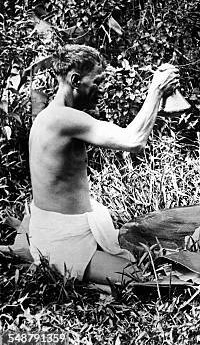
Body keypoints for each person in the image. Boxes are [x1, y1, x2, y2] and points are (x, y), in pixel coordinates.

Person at [28, 44, 179, 283]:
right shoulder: (62, 119)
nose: (101, 89)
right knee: (139, 278)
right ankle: (45, 255)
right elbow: (134, 140)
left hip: (66, 225)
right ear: (75, 80)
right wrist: (156, 91)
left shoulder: (50, 116)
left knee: (147, 254)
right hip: (61, 238)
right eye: (96, 81)